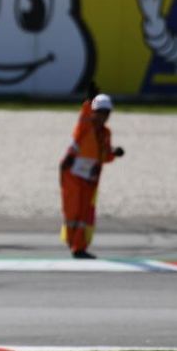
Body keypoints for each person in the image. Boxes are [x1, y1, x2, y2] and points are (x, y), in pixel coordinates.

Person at [59, 85, 125, 259]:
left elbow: (104, 156)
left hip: (90, 178)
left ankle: (79, 247)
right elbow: (84, 115)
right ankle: (71, 241)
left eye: (106, 113)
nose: (103, 116)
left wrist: (114, 153)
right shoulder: (85, 125)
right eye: (100, 112)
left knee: (85, 213)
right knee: (72, 211)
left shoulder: (106, 133)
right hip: (71, 173)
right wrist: (90, 101)